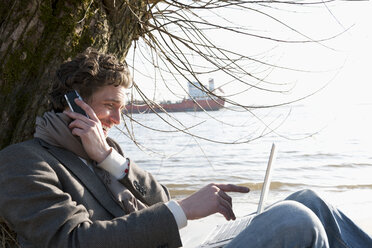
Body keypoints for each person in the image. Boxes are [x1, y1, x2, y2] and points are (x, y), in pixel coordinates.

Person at [0, 48, 370, 248]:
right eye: (110, 106)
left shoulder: (100, 152)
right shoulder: (25, 162)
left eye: (122, 108)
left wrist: (112, 161)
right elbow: (73, 241)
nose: (117, 119)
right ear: (74, 103)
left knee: (310, 200)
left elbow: (157, 198)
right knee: (294, 219)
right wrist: (184, 208)